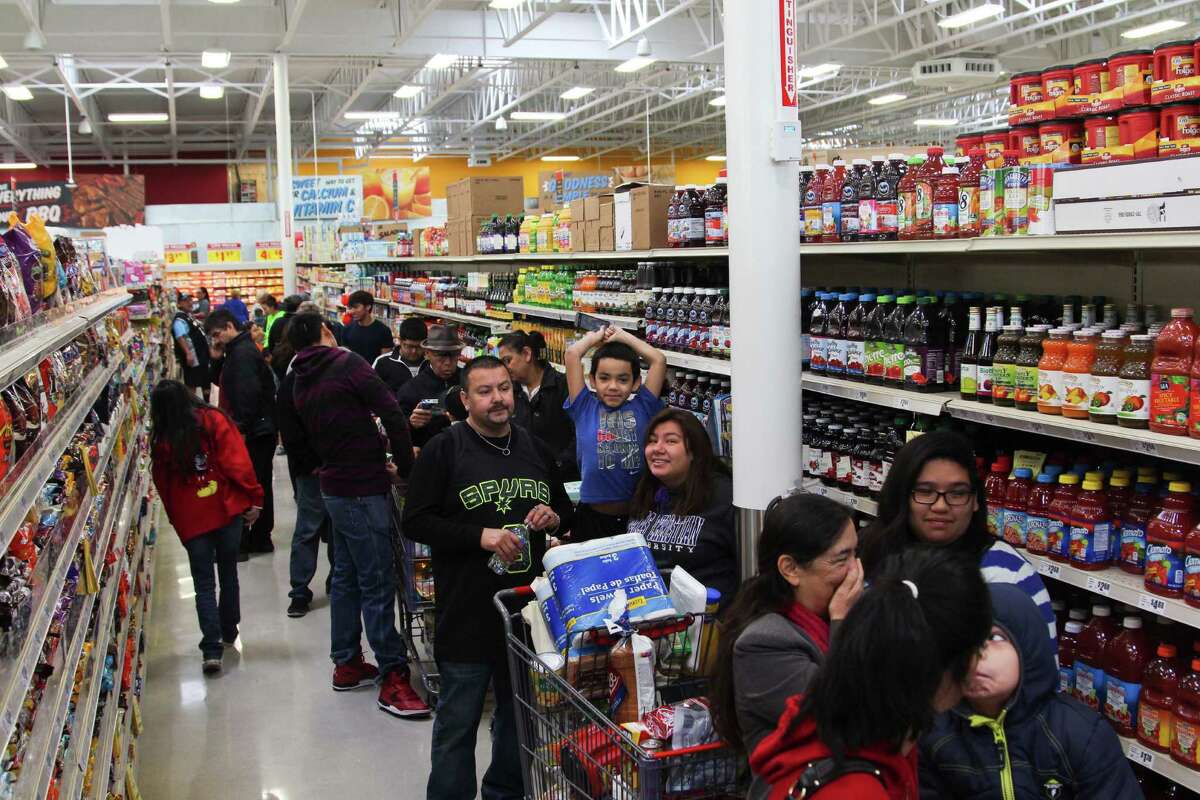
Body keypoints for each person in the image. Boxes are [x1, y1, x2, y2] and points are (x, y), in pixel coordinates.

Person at [404, 355, 573, 800]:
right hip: (467, 613)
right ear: (464, 398)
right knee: (458, 721)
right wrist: (480, 536)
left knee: (521, 717)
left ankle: (504, 791)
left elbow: (563, 511)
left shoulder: (534, 448)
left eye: (504, 388)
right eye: (485, 391)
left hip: (525, 614)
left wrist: (553, 516)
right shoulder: (446, 448)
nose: (498, 399)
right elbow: (416, 521)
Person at [749, 547, 992, 799]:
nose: (981, 661)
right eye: (981, 646)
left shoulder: (861, 731)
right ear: (941, 667)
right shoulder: (856, 789)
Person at [287, 313, 429, 718]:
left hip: (333, 487)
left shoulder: (299, 376)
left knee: (348, 576)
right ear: (325, 334)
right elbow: (393, 414)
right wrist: (404, 467)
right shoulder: (348, 364)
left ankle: (346, 662)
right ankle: (393, 677)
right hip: (364, 489)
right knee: (378, 581)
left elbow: (302, 437)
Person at [920, 584, 1141, 800]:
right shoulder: (934, 733)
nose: (975, 655)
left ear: (1028, 647)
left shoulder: (1083, 734)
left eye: (994, 638)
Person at [709, 492, 861, 772]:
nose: (856, 572)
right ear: (790, 569)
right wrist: (844, 622)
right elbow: (842, 716)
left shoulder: (833, 616)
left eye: (855, 554)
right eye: (841, 560)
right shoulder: (763, 644)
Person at [859, 430, 1057, 643]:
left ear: (975, 501)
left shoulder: (1009, 575)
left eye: (957, 493)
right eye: (925, 491)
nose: (941, 506)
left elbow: (1039, 669)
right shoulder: (870, 552)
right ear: (902, 496)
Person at [149, 380, 262, 674]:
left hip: (192, 520)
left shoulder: (162, 438)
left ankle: (211, 650)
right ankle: (229, 630)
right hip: (225, 510)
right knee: (228, 572)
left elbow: (164, 485)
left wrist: (177, 519)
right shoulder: (213, 419)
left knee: (203, 584)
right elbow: (237, 462)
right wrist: (254, 496)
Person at [564, 325, 666, 541]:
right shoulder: (584, 407)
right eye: (604, 378)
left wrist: (625, 337)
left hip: (637, 518)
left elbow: (658, 360)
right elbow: (572, 354)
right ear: (592, 380)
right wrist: (596, 336)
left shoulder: (644, 407)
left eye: (622, 379)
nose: (613, 386)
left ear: (636, 382)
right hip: (591, 518)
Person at [626, 408, 737, 604]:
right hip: (651, 615)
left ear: (694, 450)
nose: (657, 448)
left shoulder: (723, 496)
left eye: (671, 441)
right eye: (652, 440)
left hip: (706, 621)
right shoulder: (645, 489)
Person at [204, 308, 277, 557]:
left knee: (251, 484)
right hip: (255, 428)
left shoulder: (243, 354)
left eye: (217, 334)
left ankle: (250, 541)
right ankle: (258, 539)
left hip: (255, 431)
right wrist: (215, 357)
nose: (216, 340)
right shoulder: (235, 350)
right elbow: (220, 381)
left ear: (228, 327)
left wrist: (241, 431)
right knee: (257, 482)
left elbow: (248, 395)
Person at [275, 318, 335, 618]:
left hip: (330, 466)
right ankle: (300, 590)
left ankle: (331, 583)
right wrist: (312, 464)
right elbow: (290, 428)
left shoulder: (333, 367)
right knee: (309, 529)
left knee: (334, 529)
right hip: (315, 471)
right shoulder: (297, 376)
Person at [499, 329, 578, 481]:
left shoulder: (564, 386)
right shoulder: (508, 392)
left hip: (563, 479)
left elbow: (580, 434)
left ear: (527, 354)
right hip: (522, 479)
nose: (505, 367)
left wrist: (557, 466)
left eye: (508, 360)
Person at [396, 324, 464, 449]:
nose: (448, 362)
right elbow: (397, 430)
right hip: (431, 457)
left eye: (453, 355)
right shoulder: (411, 389)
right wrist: (411, 424)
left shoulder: (469, 381)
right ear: (427, 353)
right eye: (440, 355)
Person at [172, 293, 210, 402]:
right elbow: (180, 336)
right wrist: (188, 353)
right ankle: (191, 405)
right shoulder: (180, 319)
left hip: (201, 355)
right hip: (194, 357)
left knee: (204, 379)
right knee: (192, 381)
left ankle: (207, 403)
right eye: (186, 300)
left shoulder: (188, 315)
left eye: (191, 300)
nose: (190, 302)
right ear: (179, 304)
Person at [374, 317, 427, 393]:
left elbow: (438, 399)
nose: (414, 351)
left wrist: (425, 402)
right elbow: (372, 394)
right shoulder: (382, 362)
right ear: (400, 340)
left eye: (418, 347)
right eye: (409, 346)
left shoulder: (432, 364)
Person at [342, 289, 395, 364]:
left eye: (356, 307)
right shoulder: (347, 329)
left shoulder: (383, 331)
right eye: (350, 308)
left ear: (368, 307)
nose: (351, 311)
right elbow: (345, 357)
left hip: (374, 374)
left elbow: (385, 362)